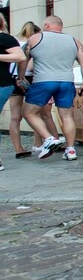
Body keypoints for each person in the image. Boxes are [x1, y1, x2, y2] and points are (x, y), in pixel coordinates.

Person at [16, 15, 83, 161]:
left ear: (47, 25)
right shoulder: (74, 41)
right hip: (66, 82)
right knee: (67, 116)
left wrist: (21, 77)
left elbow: (23, 59)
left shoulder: (36, 38)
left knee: (28, 112)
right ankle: (70, 150)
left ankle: (49, 138)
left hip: (43, 82)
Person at [9, 21, 61, 159]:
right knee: (41, 113)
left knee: (15, 117)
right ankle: (47, 141)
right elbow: (30, 65)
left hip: (14, 79)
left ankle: (19, 149)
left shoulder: (14, 42)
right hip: (31, 80)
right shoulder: (35, 43)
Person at [1, 16, 28, 171]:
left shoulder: (6, 38)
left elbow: (21, 58)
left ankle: (17, 150)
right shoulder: (7, 38)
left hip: (5, 83)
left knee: (16, 116)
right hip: (12, 82)